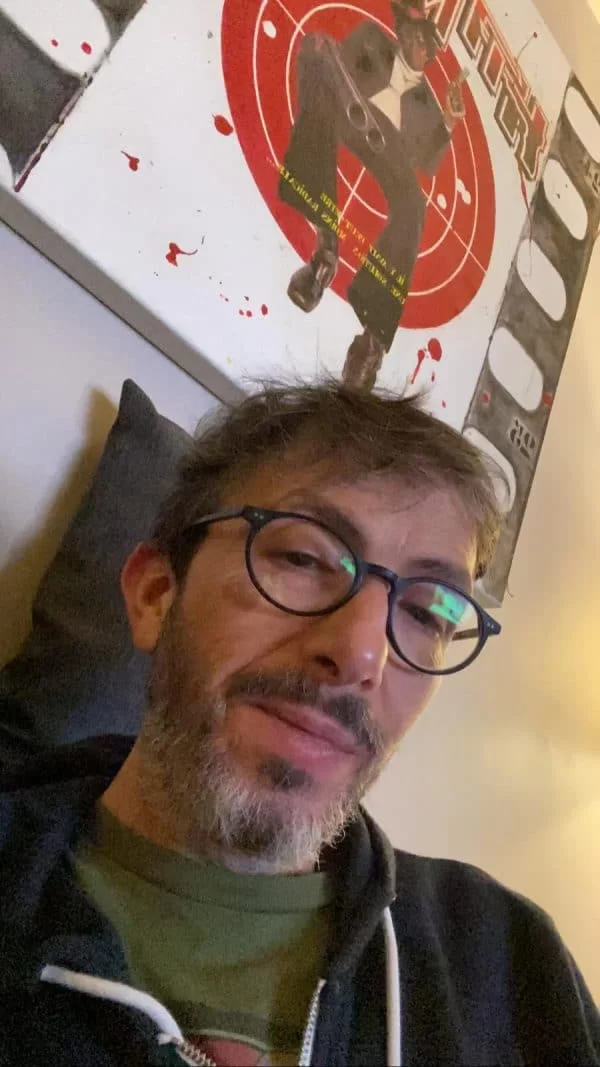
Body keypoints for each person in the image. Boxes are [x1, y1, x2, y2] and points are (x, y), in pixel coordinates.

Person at [0, 380, 598, 1067]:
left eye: (427, 612)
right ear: (156, 594)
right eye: (304, 558)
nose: (362, 655)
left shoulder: (511, 966)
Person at [278, 0, 467, 392]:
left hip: (389, 150)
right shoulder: (371, 41)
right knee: (317, 60)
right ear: (404, 31)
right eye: (419, 37)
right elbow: (337, 67)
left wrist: (447, 124)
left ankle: (373, 340)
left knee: (414, 206)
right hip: (350, 110)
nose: (423, 48)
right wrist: (326, 56)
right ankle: (324, 256)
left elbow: (426, 164)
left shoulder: (427, 104)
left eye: (430, 45)